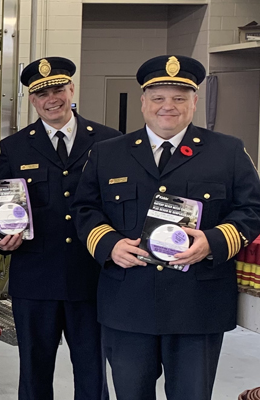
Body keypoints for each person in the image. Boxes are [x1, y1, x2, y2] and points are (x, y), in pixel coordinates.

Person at [72, 55, 260, 400]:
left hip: (198, 305)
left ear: (195, 102)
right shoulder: (108, 153)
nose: (167, 107)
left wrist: (215, 241)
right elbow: (85, 209)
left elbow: (252, 209)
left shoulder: (228, 151)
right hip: (128, 303)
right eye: (158, 98)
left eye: (179, 98)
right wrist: (109, 244)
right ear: (143, 102)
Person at [0, 57, 119, 400]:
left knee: (92, 370)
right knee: (34, 370)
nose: (51, 98)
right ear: (32, 100)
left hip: (90, 275)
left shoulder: (109, 142)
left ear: (71, 90)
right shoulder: (14, 147)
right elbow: (0, 207)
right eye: (41, 93)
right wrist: (3, 243)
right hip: (35, 276)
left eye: (58, 89)